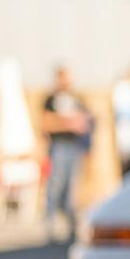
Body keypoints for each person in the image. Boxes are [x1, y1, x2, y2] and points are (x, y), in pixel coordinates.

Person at [39, 65, 92, 238]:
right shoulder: (51, 99)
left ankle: (71, 227)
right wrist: (68, 122)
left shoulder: (76, 99)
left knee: (72, 187)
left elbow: (84, 123)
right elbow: (46, 124)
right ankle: (50, 224)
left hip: (75, 147)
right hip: (59, 147)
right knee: (56, 185)